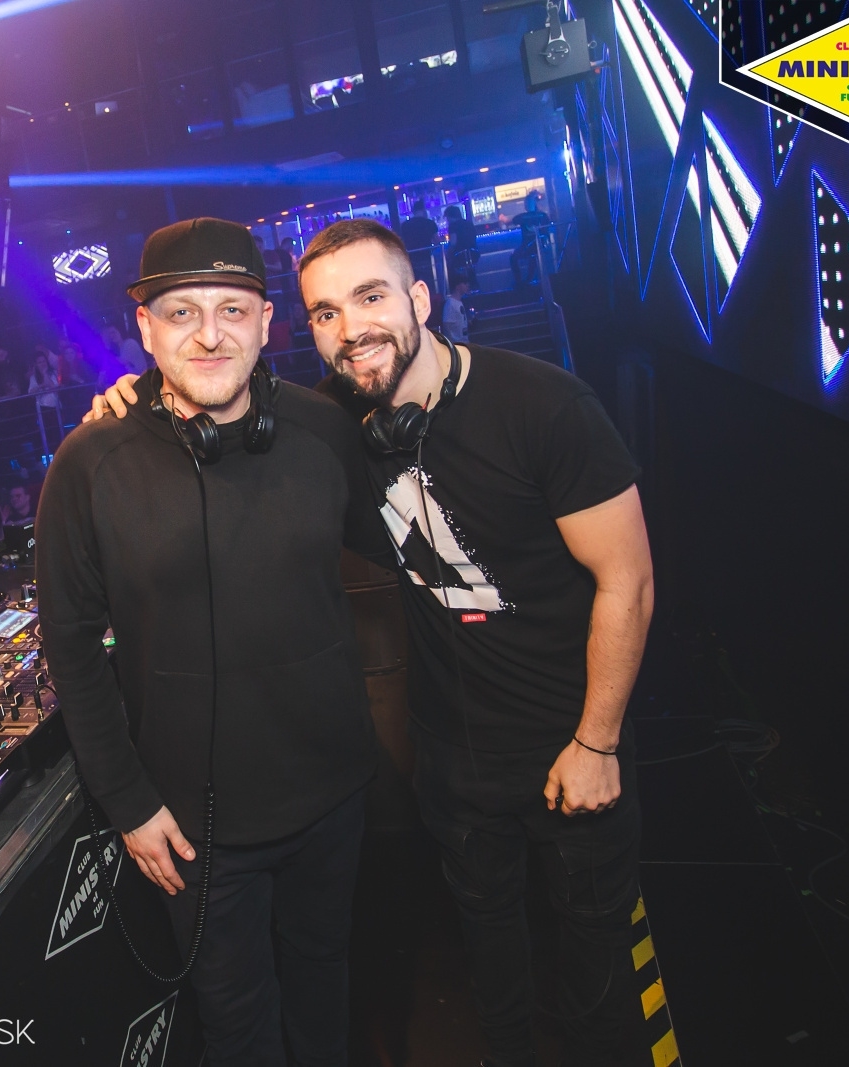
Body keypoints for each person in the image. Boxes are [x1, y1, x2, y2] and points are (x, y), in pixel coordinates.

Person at [38, 217, 393, 1067]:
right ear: (146, 328)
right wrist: (129, 803)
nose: (208, 334)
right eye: (181, 312)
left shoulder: (323, 429)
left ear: (266, 323)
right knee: (237, 1029)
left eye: (232, 309)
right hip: (195, 828)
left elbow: (408, 541)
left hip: (333, 794)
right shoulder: (90, 462)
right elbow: (72, 647)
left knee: (325, 991)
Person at [300, 219, 652, 1066]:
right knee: (492, 971)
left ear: (420, 299)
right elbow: (220, 394)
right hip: (453, 761)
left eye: (371, 297)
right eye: (325, 313)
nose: (352, 329)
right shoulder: (336, 427)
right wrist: (132, 401)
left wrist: (597, 742)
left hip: (568, 746)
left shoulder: (546, 406)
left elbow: (629, 581)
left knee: (596, 979)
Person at [511, 191, 553, 288]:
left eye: (528, 203)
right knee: (527, 255)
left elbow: (514, 220)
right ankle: (525, 281)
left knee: (525, 255)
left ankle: (523, 281)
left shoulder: (523, 217)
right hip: (537, 245)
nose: (527, 205)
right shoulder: (542, 215)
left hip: (533, 245)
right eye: (526, 203)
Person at [397, 199, 440, 286]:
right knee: (429, 283)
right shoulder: (430, 223)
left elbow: (401, 242)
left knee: (413, 283)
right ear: (424, 210)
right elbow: (437, 242)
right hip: (427, 257)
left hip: (411, 258)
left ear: (413, 211)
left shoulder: (405, 225)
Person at [442, 278, 471, 344]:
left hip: (464, 341)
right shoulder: (450, 303)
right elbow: (446, 324)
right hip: (456, 343)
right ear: (457, 286)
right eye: (464, 283)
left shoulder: (459, 302)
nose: (467, 286)